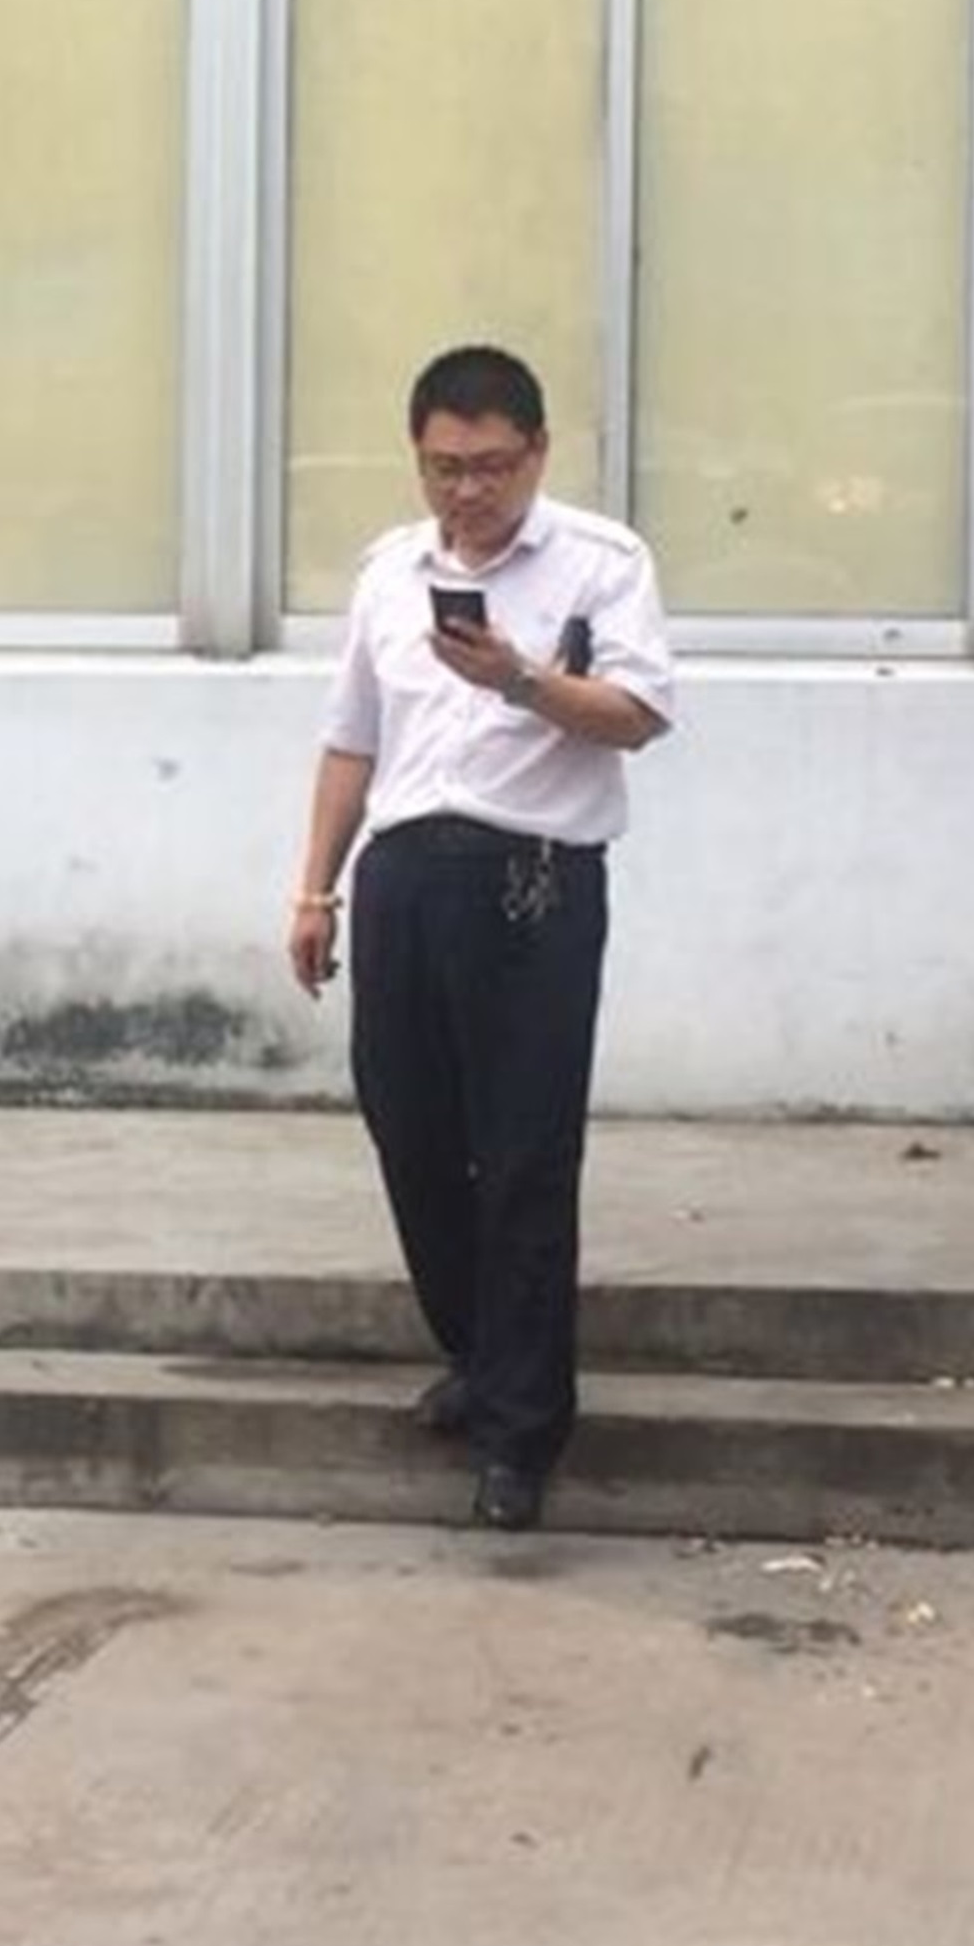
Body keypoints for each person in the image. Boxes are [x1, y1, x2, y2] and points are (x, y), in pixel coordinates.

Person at [286, 344, 679, 1532]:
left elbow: (640, 715)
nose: (470, 491)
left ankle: (520, 1432)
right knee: (409, 1132)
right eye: (446, 467)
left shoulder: (601, 563)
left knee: (523, 1155)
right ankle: (483, 1350)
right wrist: (315, 890)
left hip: (532, 884)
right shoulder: (388, 573)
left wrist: (519, 679)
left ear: (539, 452)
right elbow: (352, 739)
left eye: (494, 466)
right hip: (404, 878)